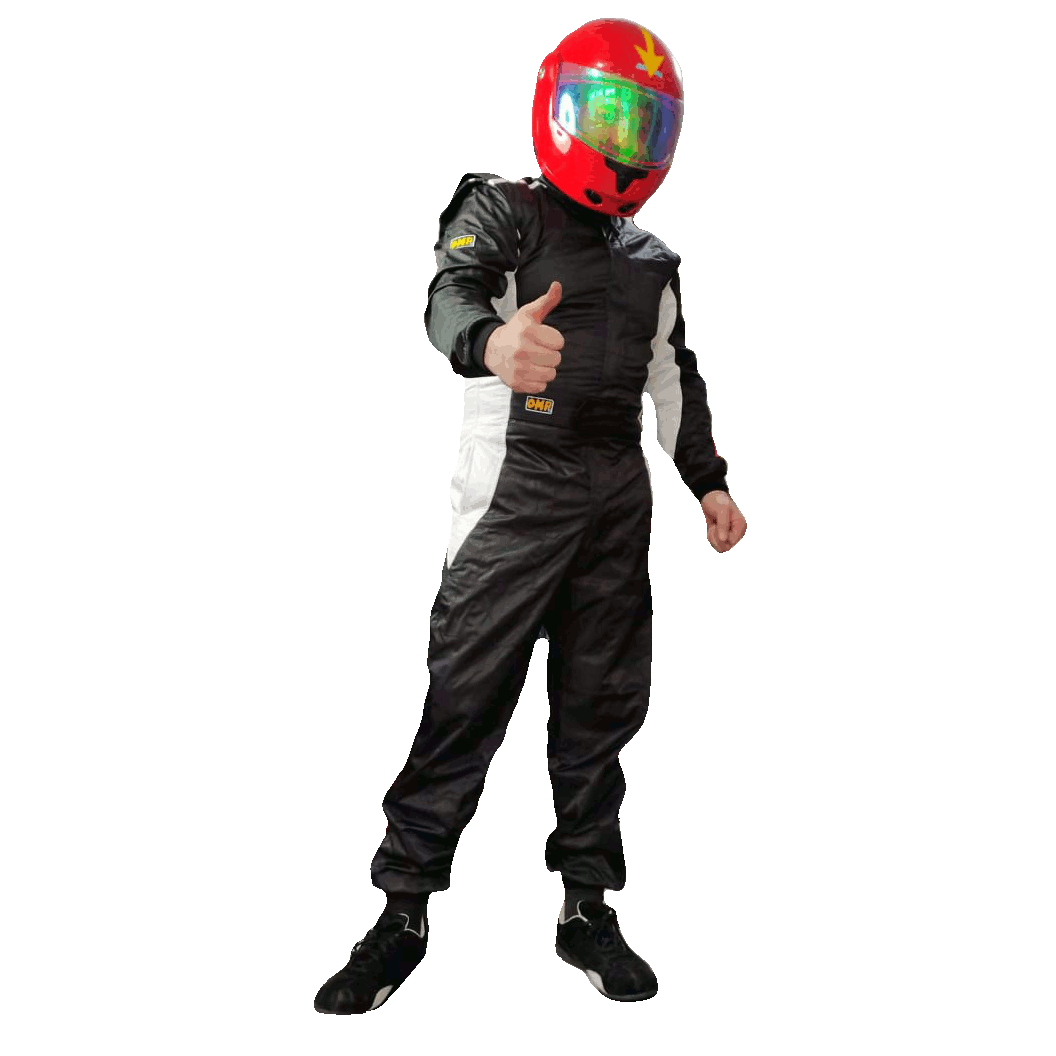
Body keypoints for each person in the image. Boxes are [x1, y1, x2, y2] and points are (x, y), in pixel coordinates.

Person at [315, 17, 747, 1014]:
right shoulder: (502, 208)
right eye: (608, 115)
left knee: (601, 714)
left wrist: (709, 481)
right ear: (560, 105)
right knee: (463, 704)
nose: (625, 141)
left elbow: (672, 377)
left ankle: (586, 908)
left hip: (616, 504)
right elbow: (449, 295)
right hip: (514, 498)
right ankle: (402, 914)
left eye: (645, 123)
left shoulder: (654, 260)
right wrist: (489, 346)